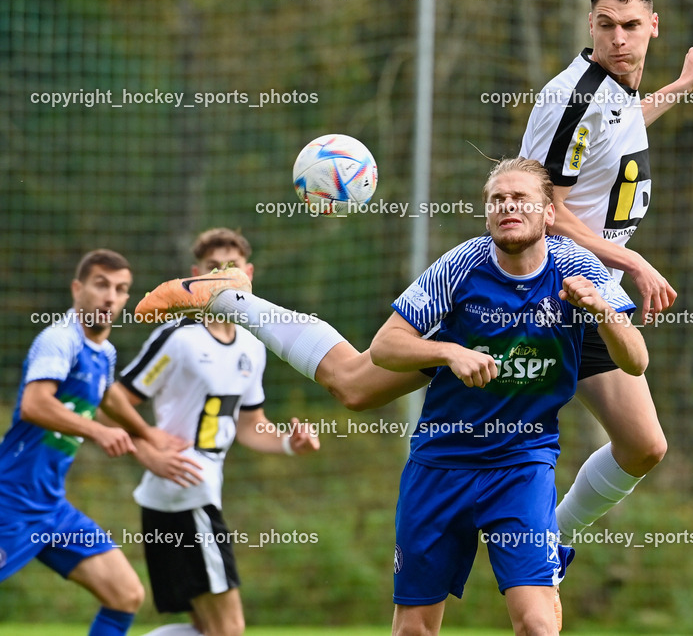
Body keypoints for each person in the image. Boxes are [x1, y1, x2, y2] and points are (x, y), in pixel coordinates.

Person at [368, 158, 647, 635]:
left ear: (548, 214)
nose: (508, 207)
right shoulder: (460, 266)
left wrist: (602, 309)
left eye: (521, 199)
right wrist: (449, 351)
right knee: (413, 629)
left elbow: (636, 360)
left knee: (537, 625)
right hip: (440, 463)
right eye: (498, 199)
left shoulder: (578, 267)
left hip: (522, 466)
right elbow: (384, 347)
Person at [518, 0, 693, 536]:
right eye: (606, 24)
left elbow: (619, 128)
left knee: (641, 446)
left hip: (588, 282)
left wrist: (681, 88)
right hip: (556, 283)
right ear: (590, 23)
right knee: (495, 435)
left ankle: (550, 541)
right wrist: (631, 259)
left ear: (653, 27)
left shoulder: (613, 94)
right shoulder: (574, 99)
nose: (618, 38)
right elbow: (544, 210)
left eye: (630, 25)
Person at [117, 228, 320, 636]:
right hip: (184, 494)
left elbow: (249, 426)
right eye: (212, 270)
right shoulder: (179, 338)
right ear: (195, 277)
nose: (221, 280)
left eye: (230, 269)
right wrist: (147, 449)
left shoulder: (252, 345)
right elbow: (115, 399)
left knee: (209, 628)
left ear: (248, 274)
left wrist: (288, 442)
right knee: (229, 629)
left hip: (191, 494)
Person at [0, 249, 168, 636]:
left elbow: (107, 396)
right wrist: (98, 431)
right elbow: (34, 404)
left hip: (51, 508)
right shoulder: (59, 339)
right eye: (101, 284)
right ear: (78, 289)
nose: (110, 297)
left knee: (125, 594)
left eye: (121, 289)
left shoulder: (104, 352)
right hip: (10, 500)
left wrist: (147, 434)